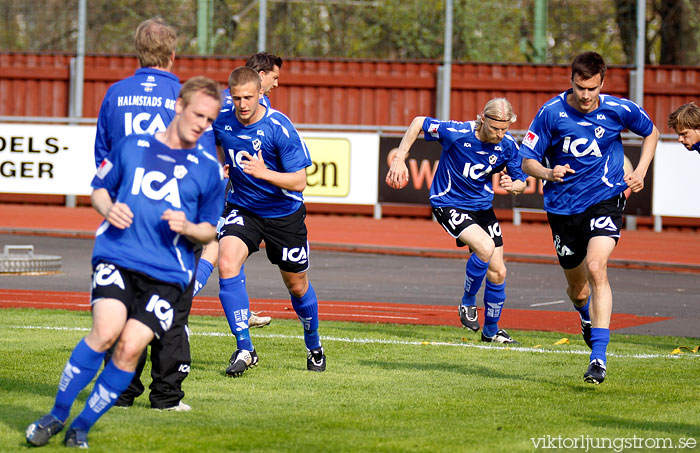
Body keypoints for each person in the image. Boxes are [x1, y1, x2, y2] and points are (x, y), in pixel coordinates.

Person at [25, 76, 224, 448]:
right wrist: (108, 207)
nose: (203, 125)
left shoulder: (208, 170)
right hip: (117, 256)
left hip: (168, 273)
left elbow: (211, 231)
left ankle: (80, 427)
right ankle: (56, 415)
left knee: (130, 347)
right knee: (106, 331)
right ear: (178, 107)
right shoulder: (133, 146)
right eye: (198, 114)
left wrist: (189, 227)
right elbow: (99, 188)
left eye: (210, 120)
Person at [519, 52, 658, 384]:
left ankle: (598, 358)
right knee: (578, 292)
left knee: (597, 267)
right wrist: (548, 172)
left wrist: (640, 171)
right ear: (571, 81)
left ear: (602, 83)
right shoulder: (550, 113)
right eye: (580, 88)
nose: (585, 96)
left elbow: (650, 133)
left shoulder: (618, 109)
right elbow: (526, 160)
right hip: (563, 209)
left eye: (592, 88)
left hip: (604, 200)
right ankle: (586, 317)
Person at [93, 17, 198, 411]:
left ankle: (121, 391)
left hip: (126, 214)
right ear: (173, 54)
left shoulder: (115, 93)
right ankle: (167, 396)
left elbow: (103, 158)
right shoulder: (186, 96)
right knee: (171, 306)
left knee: (126, 303)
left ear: (137, 52)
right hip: (173, 217)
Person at [212, 66, 325, 377]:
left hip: (283, 215)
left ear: (260, 94)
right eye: (236, 98)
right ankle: (245, 347)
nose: (242, 105)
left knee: (297, 286)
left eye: (248, 97)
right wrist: (214, 167)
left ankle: (313, 345)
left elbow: (300, 181)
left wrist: (264, 173)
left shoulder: (279, 127)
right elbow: (201, 147)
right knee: (227, 263)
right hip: (243, 209)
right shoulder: (222, 121)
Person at [386, 98, 527, 344]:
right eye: (495, 128)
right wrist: (400, 159)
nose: (500, 134)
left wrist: (513, 185)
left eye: (505, 129)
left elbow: (521, 182)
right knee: (484, 247)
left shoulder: (507, 146)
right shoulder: (457, 133)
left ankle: (491, 332)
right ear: (482, 118)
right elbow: (419, 122)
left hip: (482, 208)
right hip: (448, 202)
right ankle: (467, 302)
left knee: (499, 271)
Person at [192, 52, 285, 326]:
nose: (276, 84)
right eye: (275, 77)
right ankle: (177, 302)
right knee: (214, 248)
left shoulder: (221, 97)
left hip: (208, 182)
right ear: (261, 76)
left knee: (233, 246)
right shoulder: (251, 105)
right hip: (218, 186)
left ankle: (242, 311)